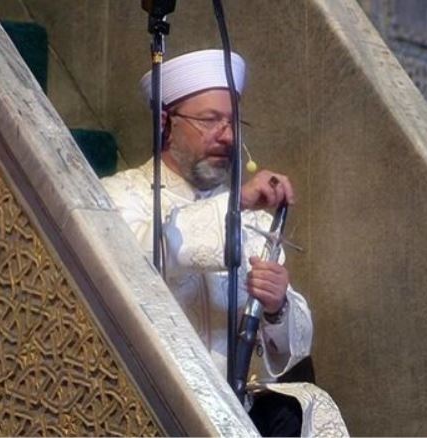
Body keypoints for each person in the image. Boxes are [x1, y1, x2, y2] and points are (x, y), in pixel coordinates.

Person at [101, 50, 345, 437]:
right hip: (148, 404)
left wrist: (277, 306)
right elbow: (134, 261)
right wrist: (237, 203)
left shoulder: (255, 222)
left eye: (232, 122)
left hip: (236, 407)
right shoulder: (117, 197)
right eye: (210, 120)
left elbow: (292, 350)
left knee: (300, 410)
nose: (228, 136)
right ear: (165, 122)